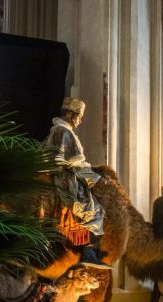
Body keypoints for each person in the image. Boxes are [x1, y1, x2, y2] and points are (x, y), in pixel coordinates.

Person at [45, 97, 110, 269]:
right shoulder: (63, 131)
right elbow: (76, 163)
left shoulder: (58, 130)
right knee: (94, 210)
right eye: (78, 115)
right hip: (63, 178)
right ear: (68, 113)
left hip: (61, 175)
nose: (79, 119)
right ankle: (88, 251)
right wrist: (96, 179)